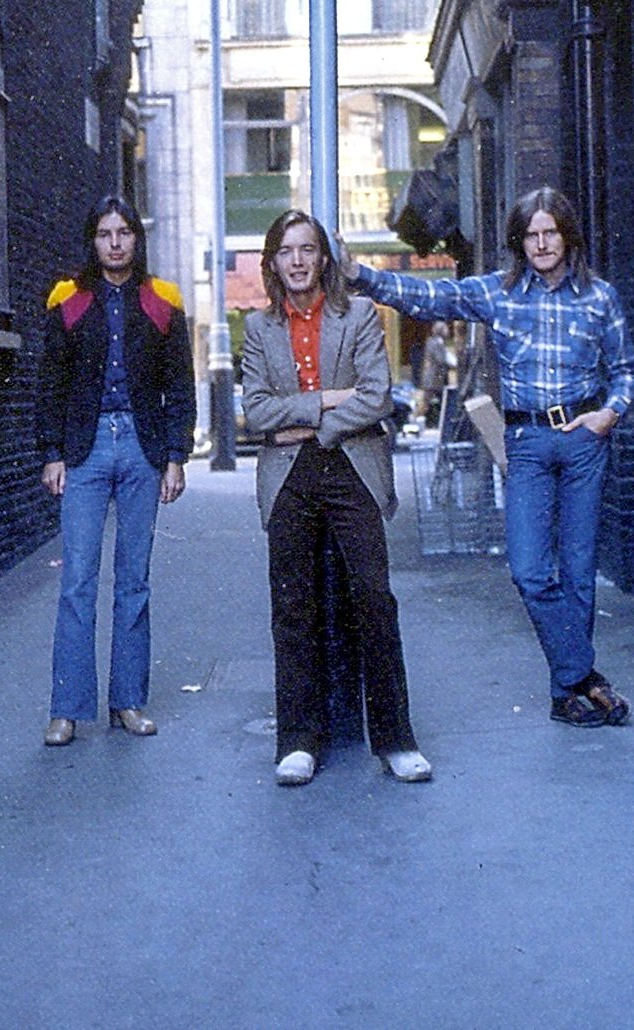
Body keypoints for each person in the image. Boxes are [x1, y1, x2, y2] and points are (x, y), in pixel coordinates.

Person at [338, 187, 634, 729]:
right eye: (531, 235)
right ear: (519, 243)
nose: (541, 244)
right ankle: (586, 676)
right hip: (526, 442)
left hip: (583, 439)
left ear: (567, 236)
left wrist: (608, 414)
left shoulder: (600, 298)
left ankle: (565, 694)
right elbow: (428, 297)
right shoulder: (499, 292)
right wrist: (360, 274)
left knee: (577, 572)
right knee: (529, 570)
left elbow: (626, 372)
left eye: (550, 233)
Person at [242, 209, 430, 786]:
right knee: (292, 607)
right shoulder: (259, 327)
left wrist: (308, 425)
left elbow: (376, 397)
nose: (297, 261)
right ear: (273, 263)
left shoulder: (360, 315)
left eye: (307, 249)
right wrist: (328, 399)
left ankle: (396, 740)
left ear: (323, 258)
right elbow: (256, 412)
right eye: (286, 251)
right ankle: (298, 741)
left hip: (353, 468)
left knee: (373, 598)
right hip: (289, 477)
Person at [37, 195, 196, 747]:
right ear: (93, 241)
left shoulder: (162, 300)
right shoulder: (69, 300)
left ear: (136, 239)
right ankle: (66, 709)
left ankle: (128, 701)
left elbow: (180, 385)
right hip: (83, 451)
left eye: (123, 233)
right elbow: (50, 384)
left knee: (134, 579)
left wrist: (176, 456)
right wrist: (51, 452)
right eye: (104, 234)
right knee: (77, 580)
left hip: (140, 448)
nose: (114, 243)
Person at [420, 320, 452, 427]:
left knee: (437, 401)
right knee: (429, 401)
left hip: (438, 379)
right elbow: (440, 359)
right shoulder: (434, 343)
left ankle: (434, 422)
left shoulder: (439, 343)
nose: (448, 331)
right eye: (445, 329)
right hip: (433, 379)